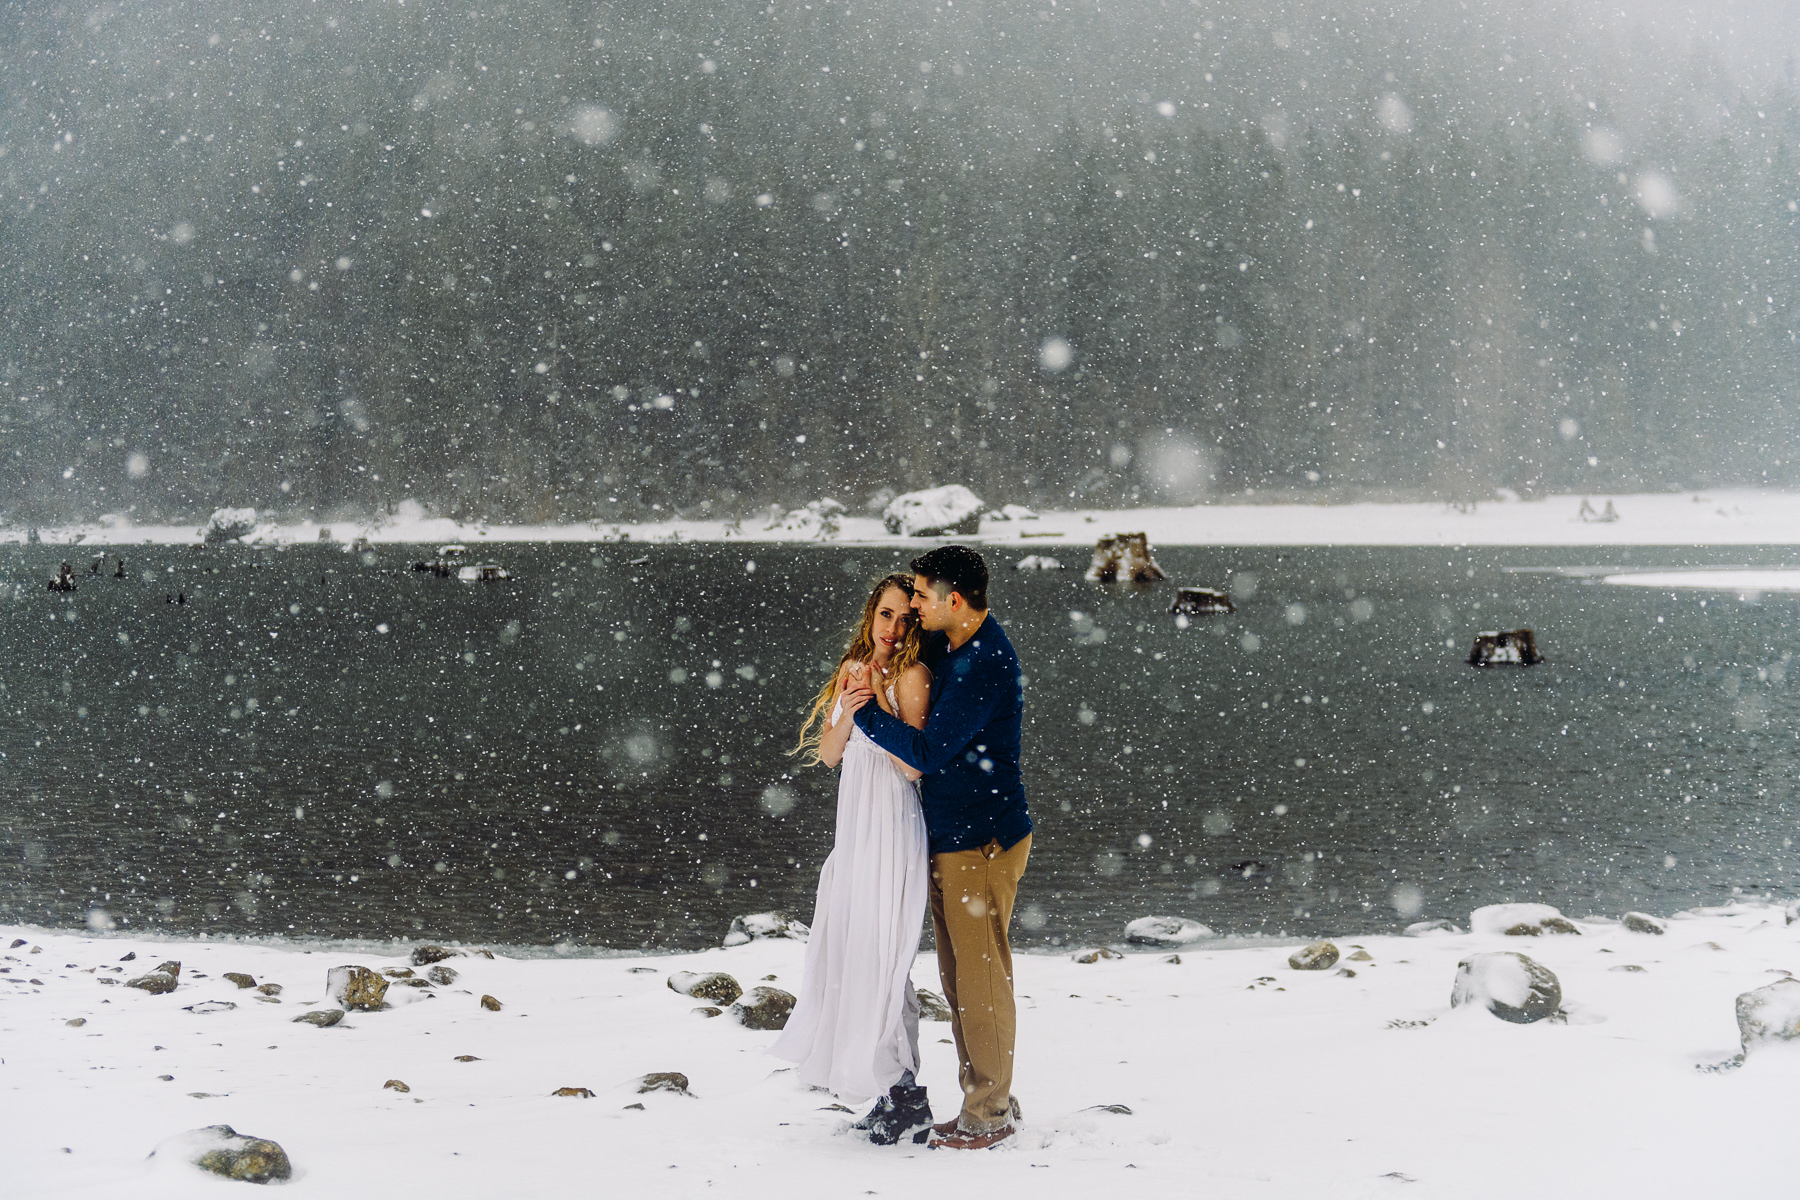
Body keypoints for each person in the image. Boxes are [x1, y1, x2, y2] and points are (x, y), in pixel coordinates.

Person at [841, 545, 1032, 1151]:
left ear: (954, 600)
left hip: (981, 837)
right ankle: (991, 1094)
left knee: (977, 980)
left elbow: (926, 755)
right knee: (962, 977)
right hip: (956, 834)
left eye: (921, 596)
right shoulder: (957, 646)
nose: (914, 606)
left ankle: (989, 1114)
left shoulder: (984, 664)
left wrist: (866, 711)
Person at [771, 574, 937, 1145]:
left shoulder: (912, 677)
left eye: (905, 619)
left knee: (885, 959)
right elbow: (828, 753)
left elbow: (915, 766)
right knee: (850, 954)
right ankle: (892, 1091)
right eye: (886, 615)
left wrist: (876, 709)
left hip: (892, 828)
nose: (893, 629)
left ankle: (907, 1093)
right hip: (856, 831)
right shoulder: (854, 669)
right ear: (871, 616)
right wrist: (851, 701)